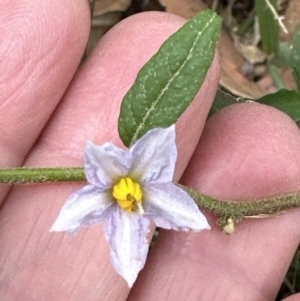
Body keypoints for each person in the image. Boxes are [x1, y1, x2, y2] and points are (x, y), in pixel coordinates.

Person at [1, 1, 300, 300]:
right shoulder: (125, 176)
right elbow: (117, 166)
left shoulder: (134, 165)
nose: (129, 198)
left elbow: (136, 154)